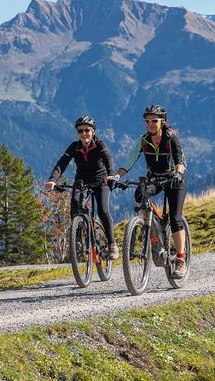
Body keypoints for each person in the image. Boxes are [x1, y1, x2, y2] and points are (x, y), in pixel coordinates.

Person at [108, 105, 188, 278]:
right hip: (155, 178)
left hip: (174, 178)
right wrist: (117, 176)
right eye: (147, 121)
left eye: (154, 121)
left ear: (162, 121)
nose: (150, 124)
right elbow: (130, 160)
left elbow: (179, 158)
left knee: (175, 218)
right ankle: (151, 226)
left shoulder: (171, 138)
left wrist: (178, 173)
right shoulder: (144, 140)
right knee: (139, 194)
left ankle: (181, 260)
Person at [45, 116, 119, 260]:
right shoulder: (74, 146)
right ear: (77, 133)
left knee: (103, 210)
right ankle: (77, 239)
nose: (84, 134)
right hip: (82, 180)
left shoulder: (99, 144)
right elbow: (62, 164)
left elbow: (108, 159)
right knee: (75, 203)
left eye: (87, 130)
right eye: (80, 131)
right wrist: (53, 180)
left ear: (93, 132)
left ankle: (112, 244)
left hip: (101, 180)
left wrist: (111, 175)